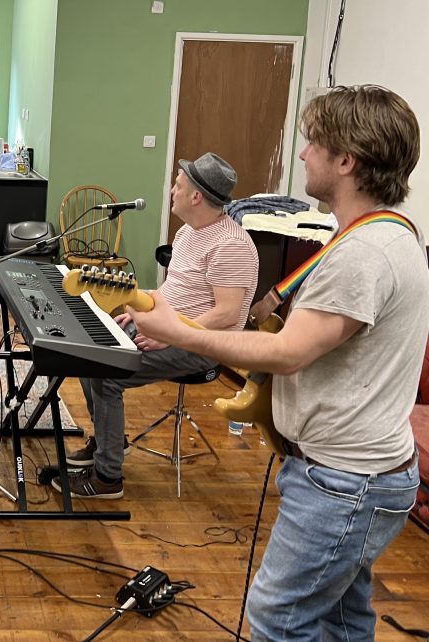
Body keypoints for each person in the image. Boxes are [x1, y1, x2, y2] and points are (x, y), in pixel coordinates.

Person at [128, 85, 424, 640]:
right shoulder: (386, 235)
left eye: (314, 143)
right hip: (358, 474)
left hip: (346, 481)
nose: (303, 154)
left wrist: (180, 333)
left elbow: (289, 353)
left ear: (346, 161)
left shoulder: (363, 254)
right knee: (341, 621)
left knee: (275, 617)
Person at [55, 152, 259, 499]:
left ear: (196, 196)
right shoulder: (188, 232)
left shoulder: (231, 245)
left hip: (201, 344)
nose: (172, 191)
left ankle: (107, 477)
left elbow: (227, 314)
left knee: (107, 374)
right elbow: (172, 290)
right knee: (89, 355)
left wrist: (170, 335)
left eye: (178, 186)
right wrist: (139, 310)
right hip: (168, 329)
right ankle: (109, 441)